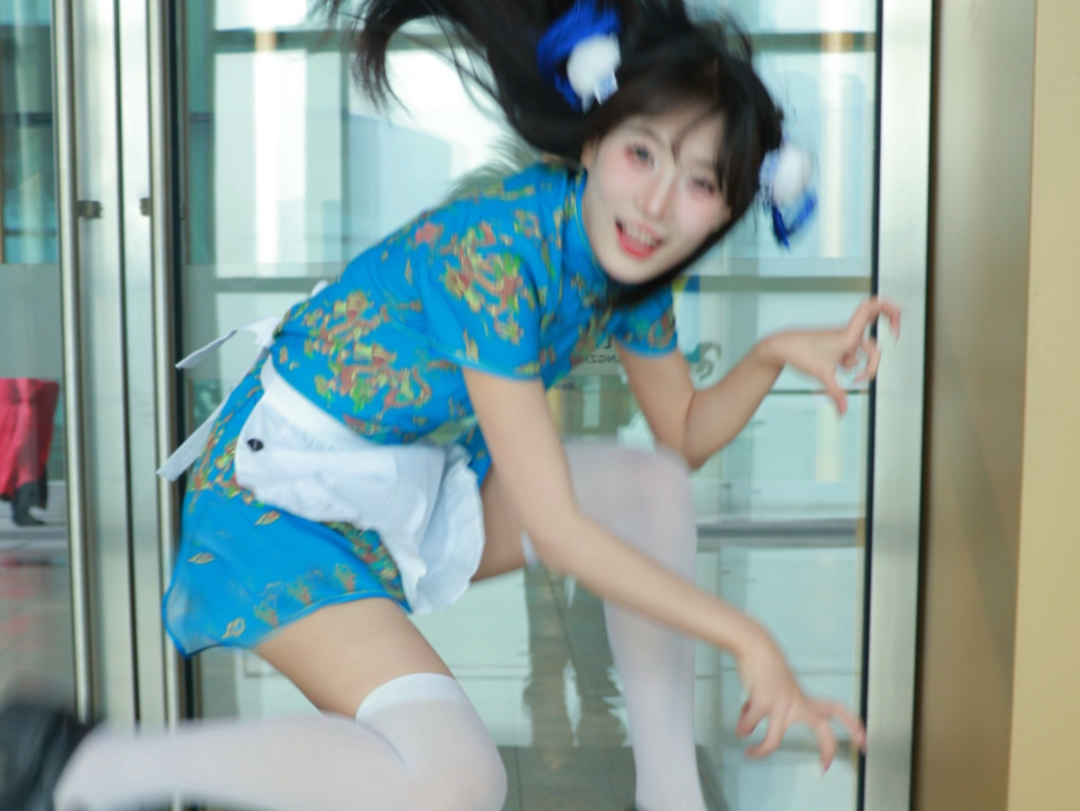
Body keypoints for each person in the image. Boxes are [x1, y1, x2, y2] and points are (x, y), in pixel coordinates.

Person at [0, 1, 899, 810]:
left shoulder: (628, 272)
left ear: (729, 209)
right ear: (593, 141)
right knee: (457, 780)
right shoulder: (497, 251)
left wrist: (774, 352)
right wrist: (748, 636)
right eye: (642, 153)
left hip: (407, 483)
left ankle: (672, 800)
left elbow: (685, 434)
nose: (659, 203)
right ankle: (83, 764)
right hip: (282, 501)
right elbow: (560, 527)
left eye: (700, 183)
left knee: (650, 486)